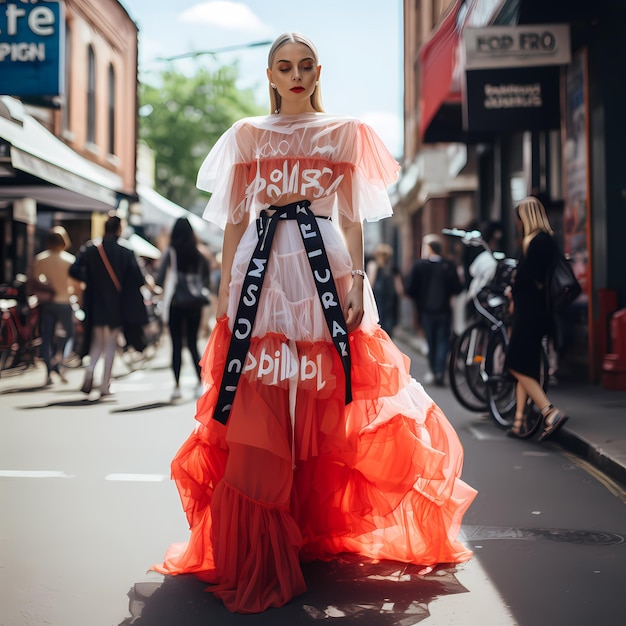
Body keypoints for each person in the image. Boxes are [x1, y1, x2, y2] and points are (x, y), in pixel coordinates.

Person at [152, 32, 476, 614]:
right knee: (262, 395)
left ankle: (311, 527)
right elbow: (231, 225)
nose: (296, 74)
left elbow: (351, 220)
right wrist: (227, 298)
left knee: (329, 398)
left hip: (322, 271)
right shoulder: (246, 135)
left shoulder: (345, 132)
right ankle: (262, 544)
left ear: (318, 70)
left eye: (305, 65)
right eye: (284, 66)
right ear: (270, 74)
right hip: (261, 274)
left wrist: (354, 283)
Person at [505, 196, 569, 440]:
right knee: (526, 365)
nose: (518, 223)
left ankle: (549, 411)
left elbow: (525, 278)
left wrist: (513, 282)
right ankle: (519, 421)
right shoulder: (548, 241)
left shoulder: (536, 242)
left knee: (513, 362)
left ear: (526, 217)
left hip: (529, 312)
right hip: (539, 312)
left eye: (519, 218)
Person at [70, 215, 147, 398]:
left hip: (95, 303)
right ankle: (105, 384)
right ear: (119, 229)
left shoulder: (90, 249)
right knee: (111, 344)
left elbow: (74, 269)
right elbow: (138, 278)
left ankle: (89, 373)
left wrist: (89, 280)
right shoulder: (125, 251)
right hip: (116, 305)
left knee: (97, 342)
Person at [155, 217, 211, 401]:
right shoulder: (199, 254)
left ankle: (177, 387)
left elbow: (160, 277)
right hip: (195, 304)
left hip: (176, 304)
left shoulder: (171, 253)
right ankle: (200, 383)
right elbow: (205, 281)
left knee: (176, 345)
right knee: (194, 344)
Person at [405, 234, 463, 386]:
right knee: (443, 340)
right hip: (444, 309)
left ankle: (434, 370)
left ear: (429, 248)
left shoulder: (419, 266)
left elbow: (410, 289)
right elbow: (457, 288)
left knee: (431, 342)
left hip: (426, 310)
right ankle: (439, 371)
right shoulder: (448, 265)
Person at [30, 226, 78, 386]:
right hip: (64, 302)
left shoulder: (41, 259)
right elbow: (76, 284)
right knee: (68, 334)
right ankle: (59, 358)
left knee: (47, 336)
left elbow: (35, 279)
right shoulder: (69, 260)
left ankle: (49, 370)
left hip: (47, 302)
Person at [366, 242, 403, 337]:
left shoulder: (373, 265)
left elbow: (371, 283)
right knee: (389, 323)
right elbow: (399, 289)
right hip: (391, 298)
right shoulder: (393, 268)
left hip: (377, 297)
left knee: (378, 320)